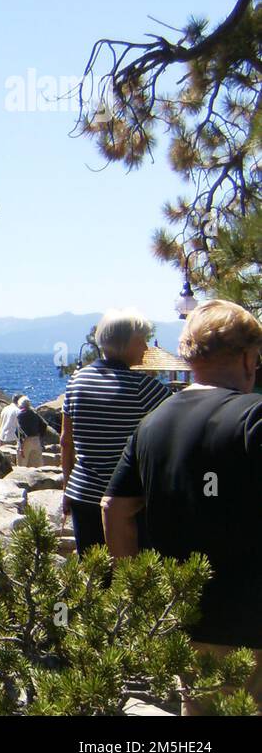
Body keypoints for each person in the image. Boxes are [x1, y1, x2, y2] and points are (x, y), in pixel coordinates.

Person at [102, 300, 262, 714]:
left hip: (181, 618)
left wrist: (139, 594)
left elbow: (115, 510)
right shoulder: (252, 417)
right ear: (248, 357)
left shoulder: (152, 423)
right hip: (250, 622)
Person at [60, 308, 169, 553]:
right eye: (142, 340)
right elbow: (176, 422)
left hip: (83, 492)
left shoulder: (77, 381)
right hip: (128, 499)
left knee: (93, 575)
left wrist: (67, 488)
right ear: (125, 343)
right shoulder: (143, 388)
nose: (146, 348)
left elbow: (66, 441)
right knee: (131, 578)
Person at [15, 396, 46, 468]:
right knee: (37, 465)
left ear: (20, 405)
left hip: (25, 441)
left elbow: (20, 431)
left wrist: (21, 447)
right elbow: (44, 425)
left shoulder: (21, 415)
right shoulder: (34, 414)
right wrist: (40, 436)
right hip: (36, 440)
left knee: (22, 465)